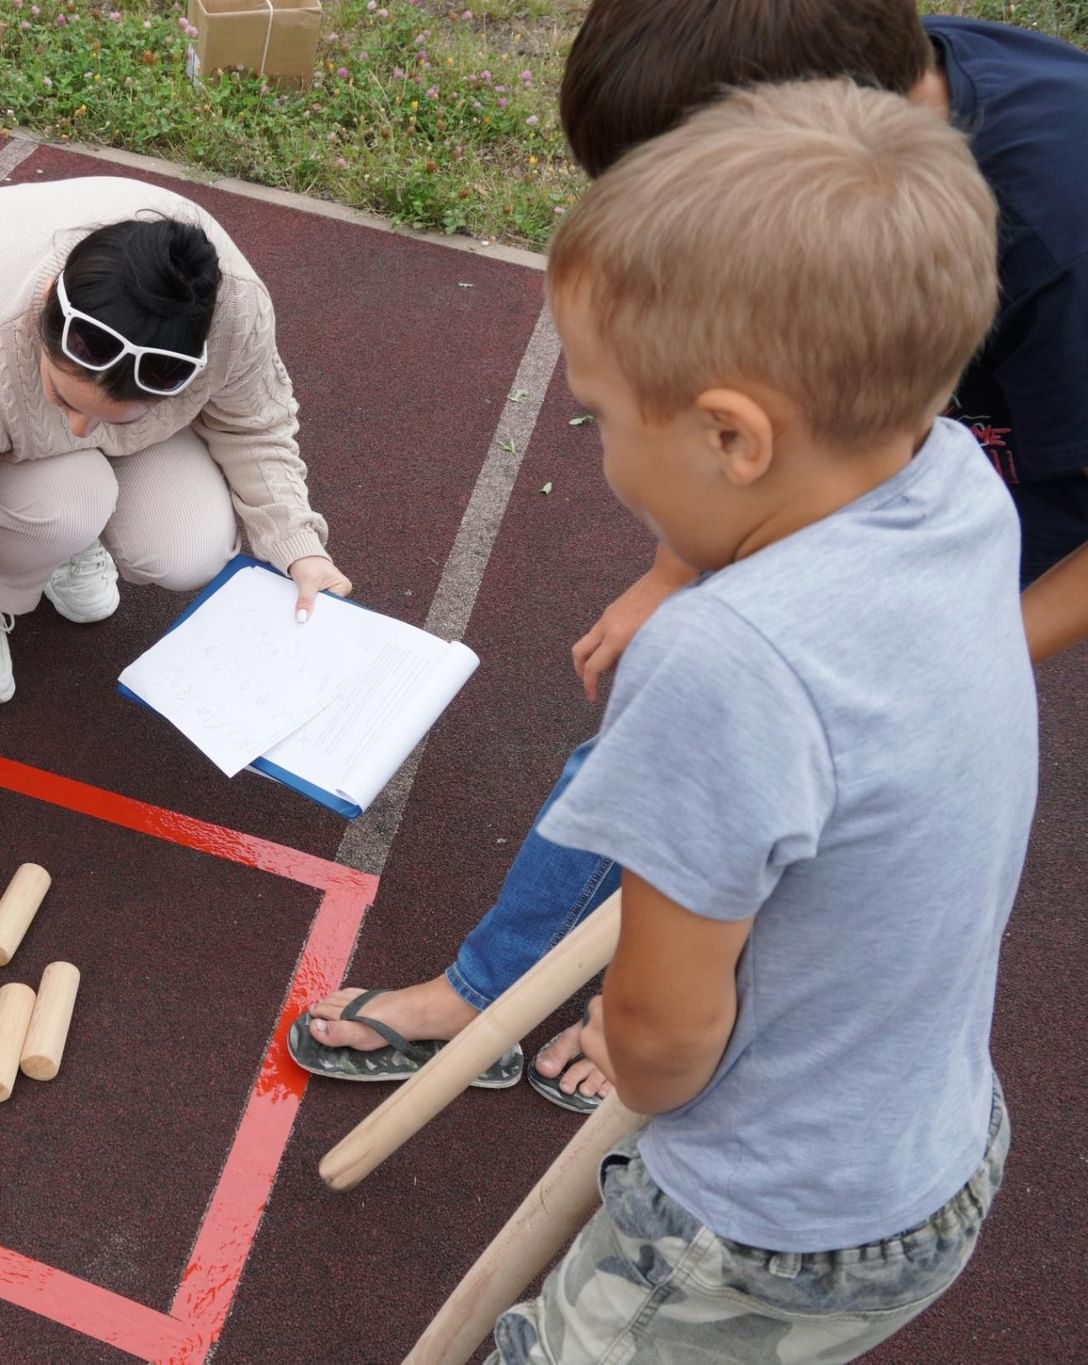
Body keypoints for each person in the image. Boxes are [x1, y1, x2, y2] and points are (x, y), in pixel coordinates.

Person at [294, 0, 1088, 1111]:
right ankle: (526, 990)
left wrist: (957, 671)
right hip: (908, 499)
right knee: (694, 762)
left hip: (993, 550)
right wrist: (675, 573)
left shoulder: (1055, 229)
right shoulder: (871, 109)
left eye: (604, 418)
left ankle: (621, 1008)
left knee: (761, 801)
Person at [492, 79, 1031, 1360]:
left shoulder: (721, 659)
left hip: (755, 1217)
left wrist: (630, 1059)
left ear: (732, 435)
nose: (598, 445)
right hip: (931, 1148)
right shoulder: (954, 482)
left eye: (597, 418)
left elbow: (663, 1039)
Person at [0, 176, 351, 802]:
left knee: (191, 548)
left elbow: (252, 422)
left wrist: (297, 543)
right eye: (63, 398)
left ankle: (70, 530)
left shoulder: (233, 316)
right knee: (65, 503)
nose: (76, 429)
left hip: (78, 413)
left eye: (110, 414)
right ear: (50, 305)